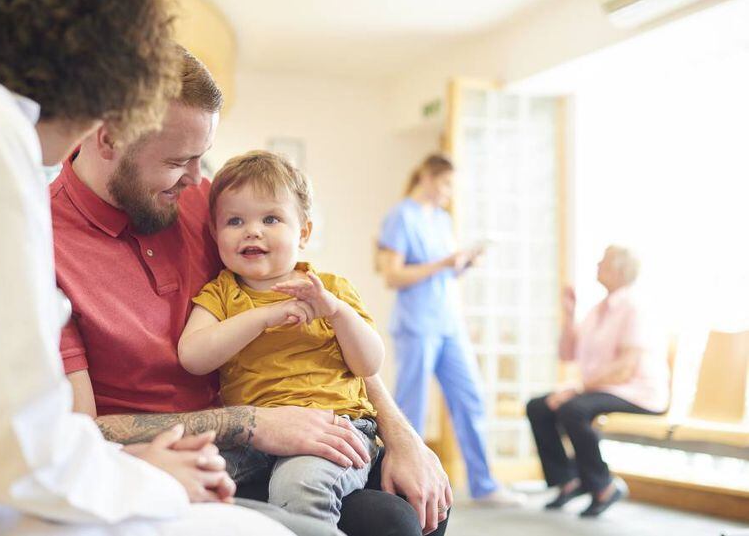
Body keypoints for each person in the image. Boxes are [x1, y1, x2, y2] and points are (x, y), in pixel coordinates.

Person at [0, 0, 293, 535]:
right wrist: (152, 477)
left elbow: (305, 296)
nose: (197, 178)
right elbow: (3, 441)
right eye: (178, 161)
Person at [52, 52, 452, 535]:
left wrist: (402, 434)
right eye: (179, 162)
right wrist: (251, 423)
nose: (198, 179)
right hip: (174, 457)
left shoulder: (208, 204)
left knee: (415, 507)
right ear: (109, 138)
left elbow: (329, 337)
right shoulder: (40, 244)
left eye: (202, 157)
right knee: (383, 523)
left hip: (288, 429)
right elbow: (77, 431)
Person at [178, 151, 384, 524]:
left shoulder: (330, 290)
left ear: (303, 232)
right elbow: (193, 356)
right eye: (234, 220)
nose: (251, 230)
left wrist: (337, 312)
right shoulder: (221, 293)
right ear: (214, 234)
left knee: (298, 489)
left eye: (270, 218)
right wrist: (263, 317)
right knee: (186, 480)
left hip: (332, 427)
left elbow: (369, 363)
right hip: (251, 434)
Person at [376, 154, 524, 506]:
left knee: (470, 397)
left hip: (448, 323)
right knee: (411, 407)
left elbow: (443, 272)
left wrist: (462, 263)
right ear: (426, 176)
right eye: (445, 185)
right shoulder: (400, 216)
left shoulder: (442, 219)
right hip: (417, 324)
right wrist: (443, 263)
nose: (448, 193)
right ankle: (403, 486)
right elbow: (393, 275)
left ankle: (484, 484)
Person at [526, 245, 669, 517]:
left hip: (639, 393)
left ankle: (603, 485)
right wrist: (569, 316)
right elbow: (566, 354)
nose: (597, 265)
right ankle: (568, 480)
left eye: (603, 261)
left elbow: (624, 370)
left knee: (572, 408)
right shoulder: (598, 310)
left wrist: (577, 389)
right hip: (604, 389)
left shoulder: (635, 307)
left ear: (620, 270)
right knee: (539, 407)